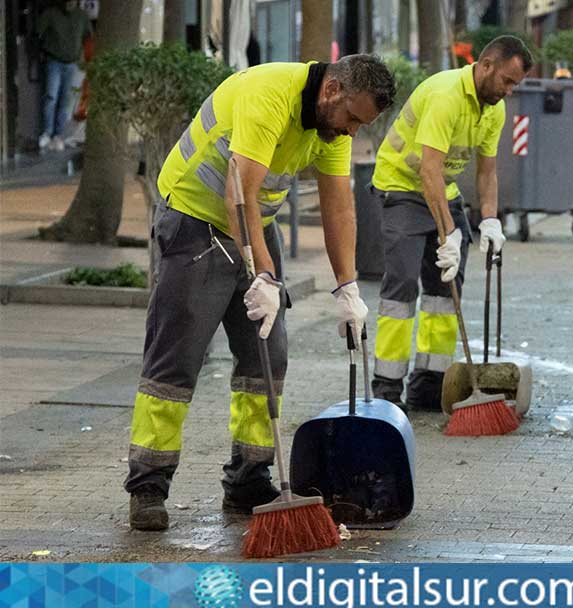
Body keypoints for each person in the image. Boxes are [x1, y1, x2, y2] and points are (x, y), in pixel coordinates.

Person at [125, 55, 396, 531]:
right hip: (194, 222)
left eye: (362, 124)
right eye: (353, 118)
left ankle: (249, 479)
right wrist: (265, 276)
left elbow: (338, 207)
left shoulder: (328, 127)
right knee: (176, 361)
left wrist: (348, 287)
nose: (352, 131)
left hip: (254, 224)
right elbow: (239, 192)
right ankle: (149, 484)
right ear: (331, 89)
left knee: (267, 354)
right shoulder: (269, 93)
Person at [369, 36, 532, 412]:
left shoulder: (493, 109)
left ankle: (429, 384)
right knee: (403, 286)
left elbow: (487, 172)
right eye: (506, 81)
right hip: (401, 186)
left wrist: (490, 221)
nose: (508, 91)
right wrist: (449, 233)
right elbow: (428, 171)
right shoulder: (446, 95)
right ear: (486, 65)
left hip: (443, 189)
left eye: (515, 85)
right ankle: (387, 390)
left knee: (446, 286)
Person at [36, 0, 91, 152]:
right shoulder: (51, 14)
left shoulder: (81, 16)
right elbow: (38, 33)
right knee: (51, 96)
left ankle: (58, 135)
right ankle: (47, 132)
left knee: (65, 100)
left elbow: (88, 36)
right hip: (54, 60)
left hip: (72, 62)